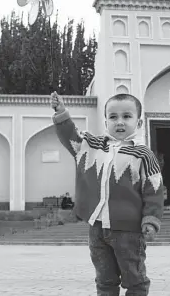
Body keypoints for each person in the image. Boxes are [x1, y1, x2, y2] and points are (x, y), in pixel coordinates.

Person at [51, 92, 164, 296]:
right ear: (105, 122)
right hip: (97, 229)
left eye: (127, 116)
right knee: (104, 281)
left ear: (138, 123)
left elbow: (154, 188)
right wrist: (61, 114)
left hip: (129, 231)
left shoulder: (143, 154)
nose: (119, 122)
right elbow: (72, 139)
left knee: (135, 280)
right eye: (113, 117)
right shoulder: (93, 146)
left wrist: (151, 218)